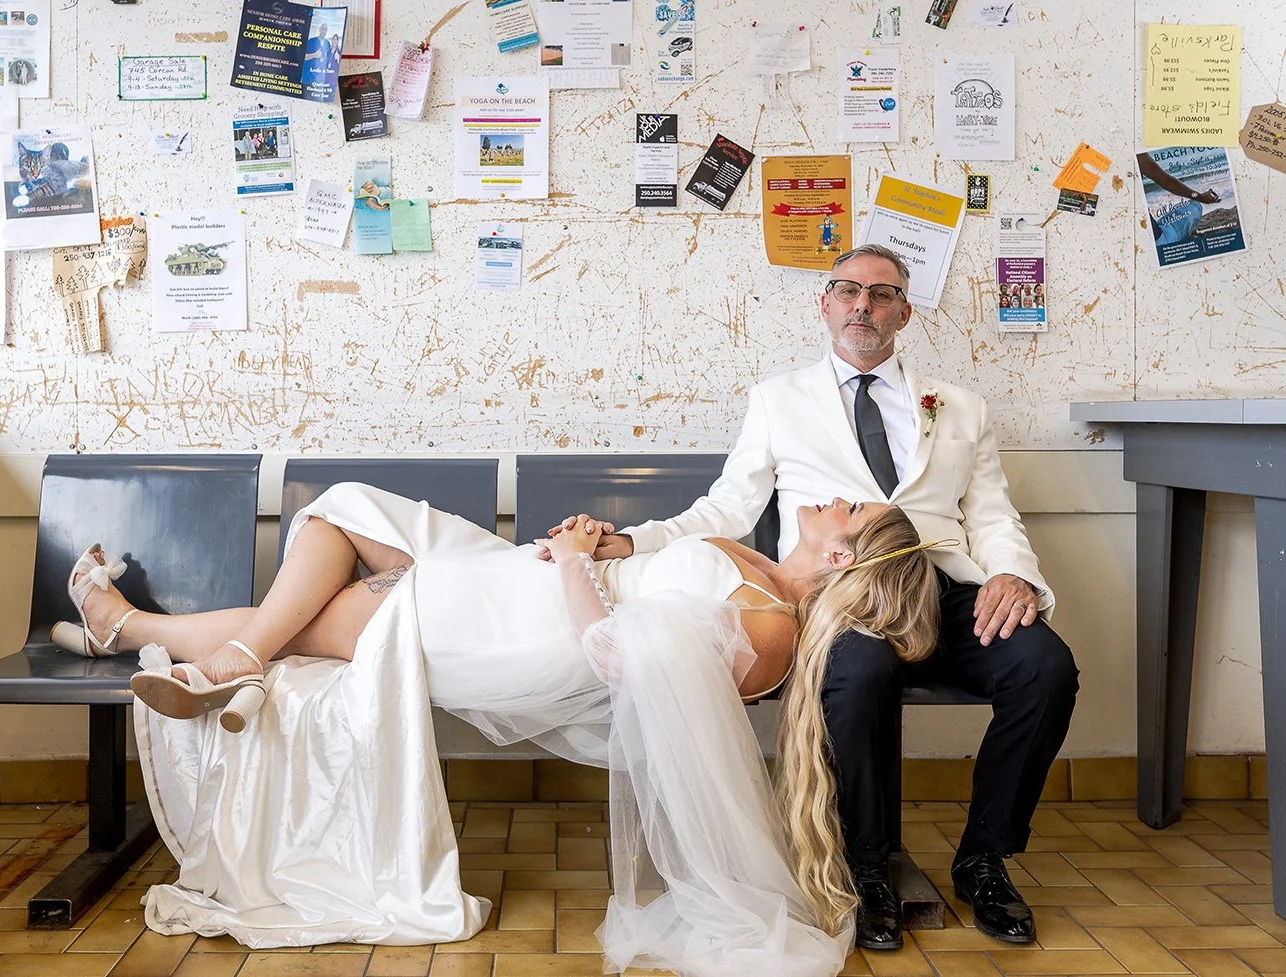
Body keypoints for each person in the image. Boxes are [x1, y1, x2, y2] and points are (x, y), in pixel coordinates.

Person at [55, 482, 940, 974]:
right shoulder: (747, 555)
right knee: (342, 510)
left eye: (849, 511)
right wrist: (602, 542)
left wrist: (574, 564)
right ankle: (199, 648)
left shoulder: (770, 631)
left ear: (839, 558)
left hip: (530, 629)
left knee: (323, 621)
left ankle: (141, 630)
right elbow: (654, 580)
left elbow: (612, 654)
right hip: (519, 578)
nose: (831, 497)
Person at [562, 243, 1079, 950]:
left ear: (904, 310)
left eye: (881, 292)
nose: (862, 304)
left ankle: (983, 858)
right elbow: (726, 508)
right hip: (838, 596)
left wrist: (1013, 574)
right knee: (857, 670)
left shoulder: (960, 406)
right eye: (846, 290)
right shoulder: (778, 399)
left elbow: (991, 515)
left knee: (1046, 666)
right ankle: (866, 869)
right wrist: (639, 540)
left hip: (943, 588)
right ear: (825, 305)